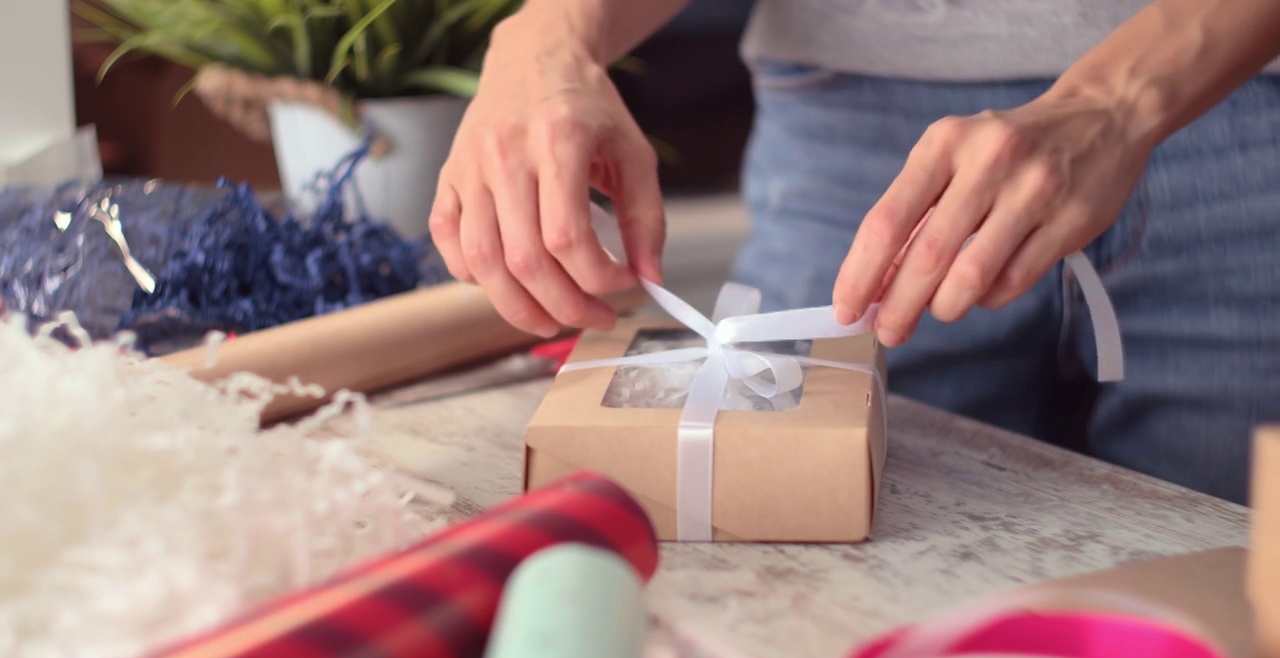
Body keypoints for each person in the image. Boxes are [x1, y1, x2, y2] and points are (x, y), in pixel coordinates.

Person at [428, 0, 1280, 505]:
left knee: (1227, 573)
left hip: (1235, 102)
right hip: (850, 131)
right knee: (798, 538)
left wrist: (1119, 102)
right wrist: (546, 36)